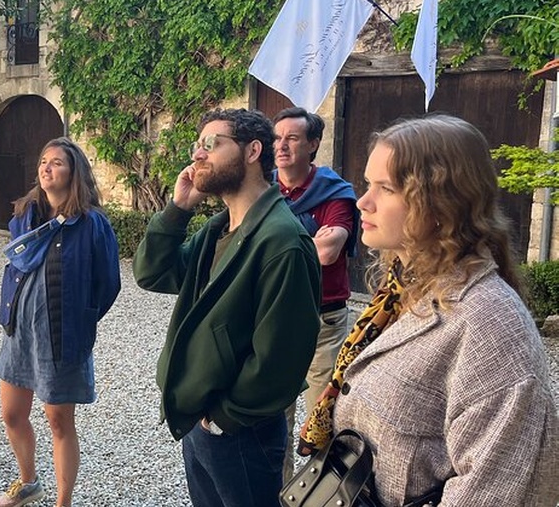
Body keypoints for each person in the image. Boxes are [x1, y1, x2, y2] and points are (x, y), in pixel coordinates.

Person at [297, 114, 559, 505]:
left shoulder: (489, 325)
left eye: (385, 188)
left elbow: (493, 491)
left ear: (441, 203)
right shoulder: (403, 289)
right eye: (368, 183)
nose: (362, 202)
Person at [133, 108, 321, 507]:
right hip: (201, 421)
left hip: (240, 432)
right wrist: (178, 209)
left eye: (211, 144)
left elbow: (280, 359)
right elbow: (152, 273)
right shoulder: (218, 230)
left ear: (253, 151)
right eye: (197, 146)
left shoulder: (282, 241)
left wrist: (223, 418)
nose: (198, 155)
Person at [0, 137, 121, 507]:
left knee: (59, 423)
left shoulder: (92, 224)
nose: (47, 168)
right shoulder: (25, 216)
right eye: (43, 161)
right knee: (12, 414)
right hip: (19, 332)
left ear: (74, 171)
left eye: (57, 163)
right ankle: (29, 482)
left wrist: (81, 320)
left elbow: (108, 284)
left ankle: (62, 502)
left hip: (62, 337)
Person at [271, 107, 359, 480]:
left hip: (324, 320)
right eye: (277, 138)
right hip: (273, 319)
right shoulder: (264, 189)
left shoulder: (334, 192)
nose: (282, 146)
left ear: (313, 145)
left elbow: (328, 253)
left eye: (292, 138)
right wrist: (306, 239)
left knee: (321, 417)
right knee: (274, 417)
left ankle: (319, 496)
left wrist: (273, 246)